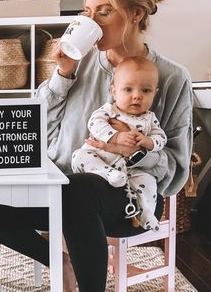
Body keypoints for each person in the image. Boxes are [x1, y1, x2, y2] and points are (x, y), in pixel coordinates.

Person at [0, 0, 193, 292]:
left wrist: (135, 151)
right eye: (88, 13)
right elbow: (35, 125)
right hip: (60, 185)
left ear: (135, 14)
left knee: (81, 191)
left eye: (104, 12)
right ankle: (62, 262)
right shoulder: (81, 64)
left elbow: (175, 167)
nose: (93, 21)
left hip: (125, 198)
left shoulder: (171, 77)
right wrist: (61, 75)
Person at [71, 56, 166, 231]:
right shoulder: (109, 110)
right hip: (101, 160)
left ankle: (146, 213)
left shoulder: (150, 118)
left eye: (145, 91)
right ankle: (108, 174)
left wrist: (148, 141)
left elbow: (161, 138)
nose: (136, 96)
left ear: (155, 93)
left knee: (149, 182)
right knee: (79, 156)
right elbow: (94, 123)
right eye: (128, 89)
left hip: (131, 170)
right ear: (114, 92)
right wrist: (116, 137)